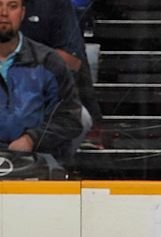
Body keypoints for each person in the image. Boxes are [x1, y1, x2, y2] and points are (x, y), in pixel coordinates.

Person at [0, 0, 82, 160]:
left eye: (12, 6)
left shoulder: (48, 62)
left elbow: (68, 118)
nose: (3, 13)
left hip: (35, 162)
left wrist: (32, 139)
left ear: (23, 13)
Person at [20, 0, 101, 146]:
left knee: (81, 118)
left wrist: (22, 59)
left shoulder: (55, 4)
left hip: (44, 96)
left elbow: (72, 60)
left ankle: (55, 165)